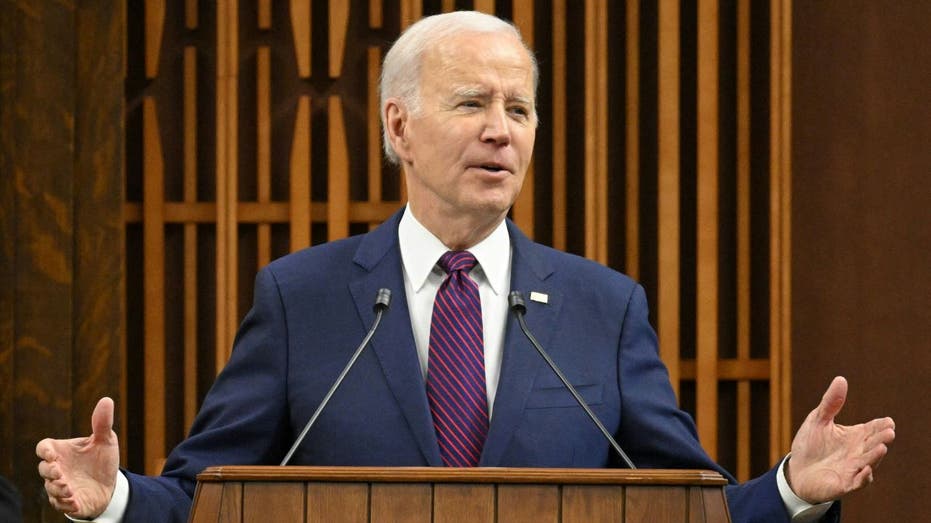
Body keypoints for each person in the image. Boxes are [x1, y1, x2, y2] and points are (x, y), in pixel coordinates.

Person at [36, 11, 895, 523]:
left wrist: (790, 488)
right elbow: (203, 499)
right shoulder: (300, 297)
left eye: (518, 107)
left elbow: (685, 507)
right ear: (398, 127)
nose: (501, 129)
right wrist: (113, 499)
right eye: (472, 102)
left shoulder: (604, 306)